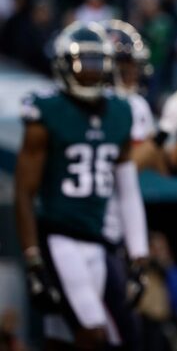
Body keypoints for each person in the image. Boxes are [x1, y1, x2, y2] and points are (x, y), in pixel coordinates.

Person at [14, 21, 148, 350]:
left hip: (101, 242)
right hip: (60, 238)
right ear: (63, 64)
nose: (90, 71)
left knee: (127, 337)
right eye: (81, 62)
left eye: (96, 61)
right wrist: (32, 259)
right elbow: (23, 192)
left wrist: (139, 255)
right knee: (92, 333)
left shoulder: (120, 111)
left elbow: (129, 191)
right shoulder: (46, 111)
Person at [99, 19, 177, 349]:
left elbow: (168, 166)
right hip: (91, 228)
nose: (134, 71)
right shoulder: (97, 106)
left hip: (121, 231)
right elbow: (121, 167)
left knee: (126, 329)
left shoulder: (134, 105)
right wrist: (165, 129)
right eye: (125, 63)